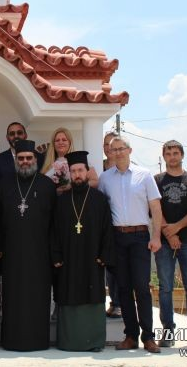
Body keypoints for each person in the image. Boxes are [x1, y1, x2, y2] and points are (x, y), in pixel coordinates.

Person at [98, 136, 163, 353]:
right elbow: (102, 212)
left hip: (140, 237)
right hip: (118, 238)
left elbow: (155, 208)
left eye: (121, 149)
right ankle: (131, 336)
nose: (117, 152)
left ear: (130, 150)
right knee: (123, 288)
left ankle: (149, 336)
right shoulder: (105, 178)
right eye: (113, 149)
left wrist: (156, 237)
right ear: (109, 152)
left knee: (142, 288)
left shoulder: (144, 175)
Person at [0, 139, 57, 351]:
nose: (24, 161)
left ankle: (38, 341)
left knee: (38, 298)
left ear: (35, 160)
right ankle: (12, 340)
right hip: (12, 252)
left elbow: (54, 224)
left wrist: (53, 253)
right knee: (13, 298)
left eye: (28, 158)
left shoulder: (47, 186)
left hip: (40, 253)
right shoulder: (4, 184)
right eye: (20, 158)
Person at [52, 151, 115, 352]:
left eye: (80, 170)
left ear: (87, 172)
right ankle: (69, 342)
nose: (77, 174)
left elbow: (108, 229)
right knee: (68, 292)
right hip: (68, 259)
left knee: (93, 293)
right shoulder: (61, 201)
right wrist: (56, 255)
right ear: (69, 173)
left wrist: (104, 255)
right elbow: (52, 230)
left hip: (92, 258)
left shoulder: (99, 199)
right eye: (73, 171)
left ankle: (94, 341)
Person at [154, 140, 187, 348]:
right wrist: (169, 233)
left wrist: (176, 229)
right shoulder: (157, 180)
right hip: (165, 243)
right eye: (168, 153)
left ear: (182, 155)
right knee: (165, 288)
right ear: (164, 156)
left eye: (176, 153)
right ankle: (167, 332)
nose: (172, 156)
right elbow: (155, 209)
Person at [41, 127, 98, 193]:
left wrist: (72, 186)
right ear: (53, 144)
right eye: (57, 140)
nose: (60, 142)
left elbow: (95, 182)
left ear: (70, 142)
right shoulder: (47, 164)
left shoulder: (80, 160)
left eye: (64, 140)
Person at [102, 131, 121, 319]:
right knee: (108, 266)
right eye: (106, 144)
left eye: (113, 144)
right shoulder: (100, 169)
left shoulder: (129, 169)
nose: (109, 148)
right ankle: (112, 302)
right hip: (104, 223)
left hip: (122, 223)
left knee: (120, 268)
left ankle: (118, 303)